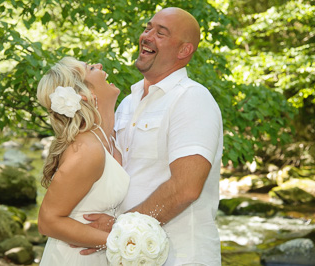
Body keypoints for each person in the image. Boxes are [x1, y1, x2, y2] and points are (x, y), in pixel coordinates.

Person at [83, 7, 223, 265]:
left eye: (161, 33)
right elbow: (114, 174)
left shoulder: (192, 98)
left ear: (184, 51)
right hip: (124, 253)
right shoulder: (127, 102)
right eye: (148, 28)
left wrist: (120, 226)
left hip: (181, 256)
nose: (147, 36)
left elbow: (186, 188)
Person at [36, 56, 130, 265]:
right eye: (90, 68)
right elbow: (47, 222)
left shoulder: (110, 139)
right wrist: (124, 243)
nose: (100, 65)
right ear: (84, 94)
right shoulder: (86, 150)